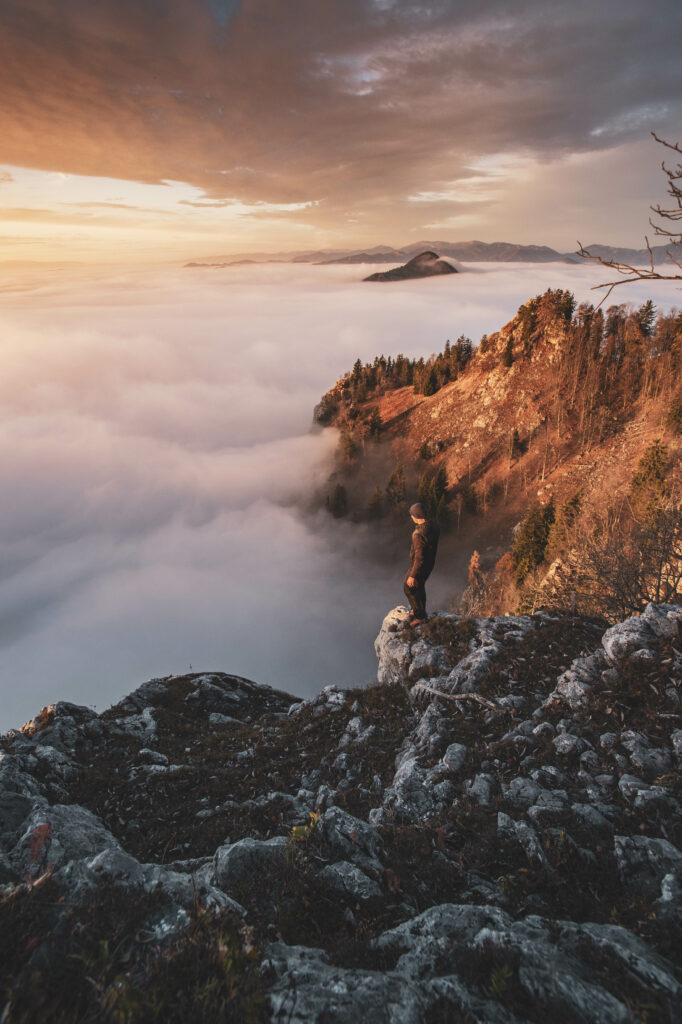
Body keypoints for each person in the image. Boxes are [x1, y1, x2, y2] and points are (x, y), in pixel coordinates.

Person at [404, 501, 440, 626]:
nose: (411, 516)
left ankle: (420, 616)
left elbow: (419, 557)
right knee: (419, 586)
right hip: (429, 564)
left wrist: (413, 575)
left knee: (408, 588)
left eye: (412, 514)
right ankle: (419, 610)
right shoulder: (433, 526)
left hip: (419, 566)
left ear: (417, 516)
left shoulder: (418, 534)